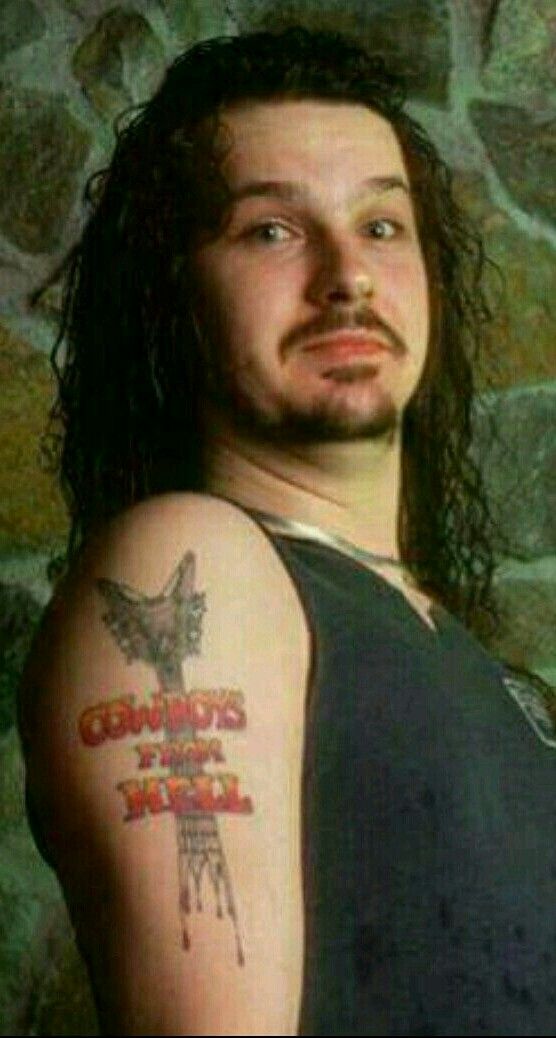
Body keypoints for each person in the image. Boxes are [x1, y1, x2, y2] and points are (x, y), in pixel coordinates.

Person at [19, 26, 556, 1037]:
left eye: (384, 227)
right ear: (173, 293)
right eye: (271, 230)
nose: (347, 274)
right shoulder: (197, 564)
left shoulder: (467, 654)